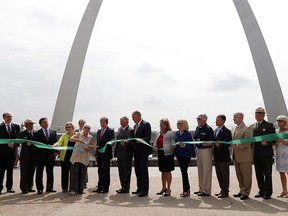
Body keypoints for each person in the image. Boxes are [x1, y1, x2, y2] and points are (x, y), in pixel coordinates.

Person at [252, 107, 275, 199]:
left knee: (267, 174)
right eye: (256, 114)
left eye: (259, 114)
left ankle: (268, 192)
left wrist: (267, 142)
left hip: (266, 154)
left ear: (263, 115)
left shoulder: (269, 125)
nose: (257, 115)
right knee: (258, 173)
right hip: (256, 154)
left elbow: (274, 138)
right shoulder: (253, 126)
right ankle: (261, 190)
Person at [231, 112, 253, 200]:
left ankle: (246, 192)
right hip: (236, 156)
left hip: (245, 156)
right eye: (233, 117)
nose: (233, 119)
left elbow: (248, 141)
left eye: (235, 117)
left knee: (246, 176)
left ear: (241, 118)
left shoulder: (248, 128)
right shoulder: (233, 128)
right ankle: (241, 190)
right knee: (239, 175)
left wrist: (237, 146)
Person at [33, 117, 58, 194]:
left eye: (46, 122)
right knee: (39, 173)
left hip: (51, 156)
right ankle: (40, 188)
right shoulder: (37, 133)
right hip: (40, 157)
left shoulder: (53, 132)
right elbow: (35, 145)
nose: (46, 123)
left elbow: (56, 143)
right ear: (40, 124)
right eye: (44, 122)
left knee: (50, 173)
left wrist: (56, 152)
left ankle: (49, 188)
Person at [131, 111, 152, 197]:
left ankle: (145, 190)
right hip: (136, 151)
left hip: (143, 151)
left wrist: (140, 140)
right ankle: (139, 188)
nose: (132, 119)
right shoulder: (135, 126)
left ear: (138, 116)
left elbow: (148, 137)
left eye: (133, 117)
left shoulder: (146, 124)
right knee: (137, 170)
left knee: (143, 170)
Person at [69, 123, 93, 195]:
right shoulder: (79, 134)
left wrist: (88, 149)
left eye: (88, 128)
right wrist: (78, 140)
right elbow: (70, 139)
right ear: (83, 128)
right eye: (86, 128)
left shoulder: (90, 137)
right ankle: (73, 189)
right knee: (74, 173)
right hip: (76, 157)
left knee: (83, 174)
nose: (87, 129)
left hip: (84, 157)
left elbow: (90, 147)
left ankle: (80, 190)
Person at [193, 114, 214, 196]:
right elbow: (195, 138)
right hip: (198, 150)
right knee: (200, 171)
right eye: (197, 119)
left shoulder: (209, 129)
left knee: (207, 171)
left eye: (199, 119)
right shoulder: (198, 128)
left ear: (205, 120)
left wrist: (207, 144)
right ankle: (201, 188)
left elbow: (212, 141)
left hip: (206, 151)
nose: (197, 120)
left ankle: (206, 190)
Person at [0, 112, 20, 194]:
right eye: (8, 117)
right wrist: (6, 144)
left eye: (10, 116)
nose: (9, 118)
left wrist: (14, 144)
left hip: (12, 153)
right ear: (4, 118)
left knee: (10, 171)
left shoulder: (16, 127)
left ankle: (9, 187)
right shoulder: (0, 127)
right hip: (1, 154)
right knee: (0, 171)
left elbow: (18, 140)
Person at [174, 119, 195, 197]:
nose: (177, 125)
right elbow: (175, 142)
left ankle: (185, 190)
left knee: (184, 172)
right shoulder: (176, 133)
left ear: (183, 125)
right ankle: (187, 189)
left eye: (179, 124)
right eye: (177, 123)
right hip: (179, 155)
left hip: (186, 155)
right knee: (183, 172)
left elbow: (191, 144)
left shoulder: (187, 134)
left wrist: (185, 145)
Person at [52, 122, 75, 193]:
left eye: (70, 127)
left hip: (73, 158)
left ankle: (72, 188)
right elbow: (59, 142)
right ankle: (64, 188)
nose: (68, 128)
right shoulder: (64, 135)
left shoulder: (76, 135)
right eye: (67, 127)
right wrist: (55, 145)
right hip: (64, 157)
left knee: (73, 174)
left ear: (72, 127)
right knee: (64, 173)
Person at [93, 117, 115, 193]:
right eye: (101, 122)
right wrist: (96, 152)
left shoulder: (110, 131)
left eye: (103, 122)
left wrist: (111, 142)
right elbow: (98, 143)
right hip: (99, 154)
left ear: (106, 123)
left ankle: (105, 188)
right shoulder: (98, 131)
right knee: (100, 171)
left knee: (106, 172)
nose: (102, 124)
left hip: (106, 154)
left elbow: (113, 140)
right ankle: (100, 187)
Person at [155, 118, 175, 196]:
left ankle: (169, 188)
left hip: (168, 155)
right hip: (160, 154)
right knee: (162, 171)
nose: (160, 126)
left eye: (161, 124)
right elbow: (156, 142)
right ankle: (163, 187)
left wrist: (168, 149)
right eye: (160, 124)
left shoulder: (171, 133)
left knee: (168, 171)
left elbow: (173, 145)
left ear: (166, 125)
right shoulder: (157, 133)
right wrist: (155, 146)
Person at [213, 114, 232, 198]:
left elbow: (228, 143)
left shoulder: (227, 131)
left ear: (223, 121)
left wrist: (219, 145)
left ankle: (225, 191)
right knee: (219, 174)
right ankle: (222, 189)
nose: (216, 121)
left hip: (223, 157)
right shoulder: (215, 130)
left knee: (224, 175)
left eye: (217, 120)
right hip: (216, 156)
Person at [115, 116, 133, 194]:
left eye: (121, 121)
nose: (120, 122)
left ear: (126, 122)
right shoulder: (119, 129)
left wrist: (125, 142)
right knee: (121, 171)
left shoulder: (130, 130)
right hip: (119, 153)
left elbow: (129, 139)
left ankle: (126, 187)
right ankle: (123, 187)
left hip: (126, 154)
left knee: (126, 171)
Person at [18, 119, 36, 194]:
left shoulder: (35, 133)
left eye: (32, 124)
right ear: (25, 126)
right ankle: (23, 187)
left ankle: (30, 187)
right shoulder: (22, 133)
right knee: (24, 172)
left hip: (34, 156)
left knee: (32, 172)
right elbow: (17, 142)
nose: (31, 126)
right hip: (25, 156)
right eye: (29, 125)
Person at [274, 115, 288, 198]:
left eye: (280, 121)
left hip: (287, 154)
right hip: (279, 155)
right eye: (277, 120)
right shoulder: (275, 131)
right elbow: (272, 143)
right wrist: (275, 142)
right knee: (281, 173)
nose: (278, 122)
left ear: (285, 122)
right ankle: (284, 190)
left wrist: (283, 142)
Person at [74, 119, 89, 189]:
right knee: (77, 168)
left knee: (84, 167)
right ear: (79, 124)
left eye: (84, 123)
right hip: (77, 151)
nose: (82, 124)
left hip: (84, 152)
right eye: (81, 123)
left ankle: (84, 182)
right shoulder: (76, 131)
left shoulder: (88, 132)